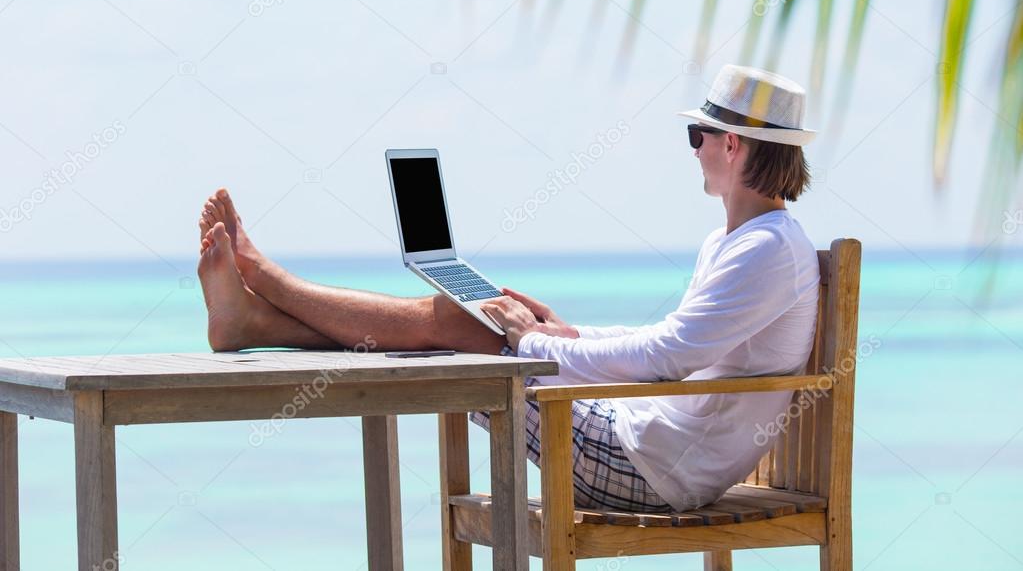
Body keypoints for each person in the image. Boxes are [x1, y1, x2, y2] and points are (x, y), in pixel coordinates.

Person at [197, 64, 820, 512]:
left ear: (732, 145)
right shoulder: (739, 243)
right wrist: (563, 336)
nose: (694, 152)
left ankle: (269, 288)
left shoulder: (766, 250)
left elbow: (668, 358)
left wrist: (531, 347)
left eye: (698, 137)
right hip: (644, 439)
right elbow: (670, 345)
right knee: (476, 324)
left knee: (461, 328)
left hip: (654, 472)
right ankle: (258, 323)